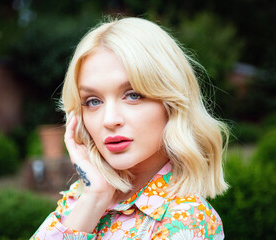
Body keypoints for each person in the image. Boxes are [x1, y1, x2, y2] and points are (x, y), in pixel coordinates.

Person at [30, 17, 228, 240]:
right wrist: (94, 198)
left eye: (133, 95)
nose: (110, 120)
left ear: (171, 104)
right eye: (93, 101)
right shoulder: (80, 197)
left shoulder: (187, 220)